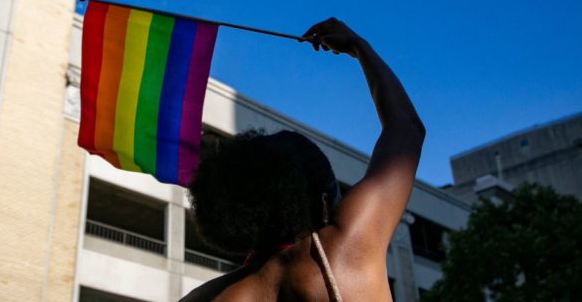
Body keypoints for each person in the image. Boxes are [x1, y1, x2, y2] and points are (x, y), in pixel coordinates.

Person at [183, 18, 426, 301]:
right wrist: (360, 47)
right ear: (323, 203)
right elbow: (405, 129)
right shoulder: (349, 246)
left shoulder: (206, 297)